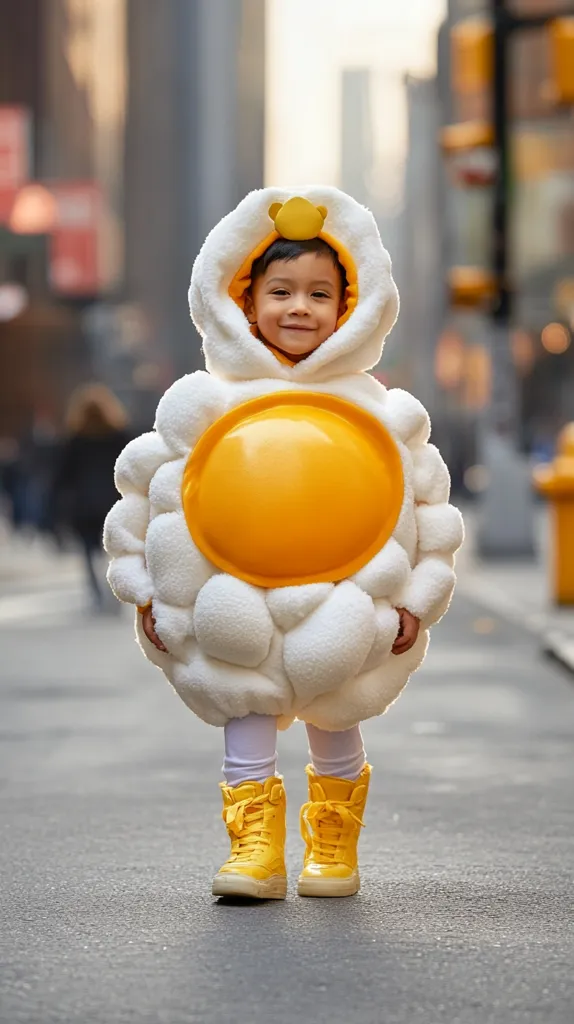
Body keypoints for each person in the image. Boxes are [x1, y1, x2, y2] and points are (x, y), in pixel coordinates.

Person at [104, 188, 464, 900]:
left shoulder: (381, 411)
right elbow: (145, 496)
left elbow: (429, 513)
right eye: (281, 291)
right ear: (243, 301)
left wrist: (417, 600)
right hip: (232, 596)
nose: (299, 307)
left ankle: (333, 846)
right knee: (248, 715)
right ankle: (256, 849)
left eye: (320, 293)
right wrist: (147, 588)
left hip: (352, 597)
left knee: (338, 720)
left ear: (351, 307)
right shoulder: (206, 402)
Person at [55, 384, 130, 609]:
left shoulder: (75, 439)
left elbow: (62, 475)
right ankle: (115, 593)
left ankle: (96, 593)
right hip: (112, 501)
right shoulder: (119, 436)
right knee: (114, 550)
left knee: (89, 551)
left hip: (83, 504)